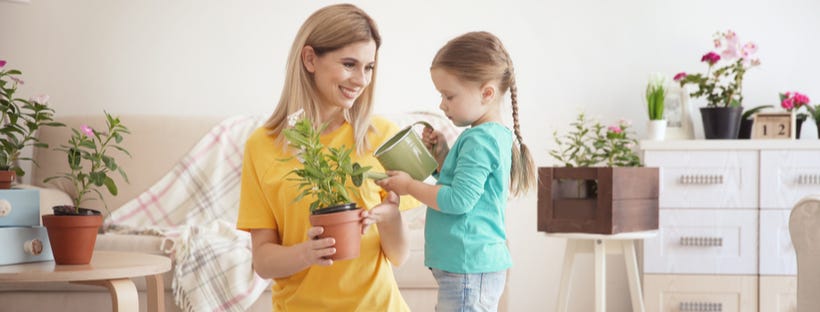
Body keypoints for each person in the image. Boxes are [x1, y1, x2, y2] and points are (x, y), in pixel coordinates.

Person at [236, 4, 420, 311]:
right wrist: (306, 253)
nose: (361, 79)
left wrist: (391, 219)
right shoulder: (263, 145)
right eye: (349, 64)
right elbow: (263, 261)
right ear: (310, 59)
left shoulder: (383, 136)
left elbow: (399, 256)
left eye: (369, 67)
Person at [375, 31, 536, 312]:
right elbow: (463, 189)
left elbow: (458, 201)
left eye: (449, 95)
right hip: (469, 265)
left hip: (468, 267)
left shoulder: (479, 139)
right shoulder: (489, 135)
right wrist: (442, 157)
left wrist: (409, 185)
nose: (441, 104)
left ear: (487, 93)